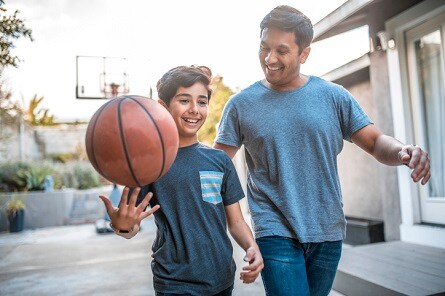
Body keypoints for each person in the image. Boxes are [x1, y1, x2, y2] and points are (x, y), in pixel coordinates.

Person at [214, 5, 431, 296]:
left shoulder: (333, 97)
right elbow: (216, 167)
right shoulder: (241, 105)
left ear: (304, 54)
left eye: (281, 50)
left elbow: (376, 142)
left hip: (326, 229)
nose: (269, 58)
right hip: (273, 229)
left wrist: (404, 150)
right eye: (264, 48)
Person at [99, 65, 263, 296]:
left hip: (222, 278)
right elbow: (131, 226)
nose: (195, 110)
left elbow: (235, 222)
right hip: (175, 282)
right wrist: (122, 224)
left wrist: (251, 246)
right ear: (163, 107)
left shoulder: (219, 161)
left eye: (202, 102)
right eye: (184, 100)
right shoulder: (149, 164)